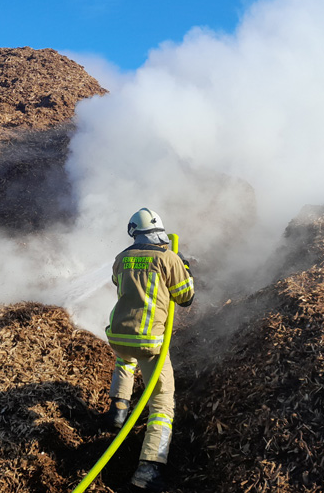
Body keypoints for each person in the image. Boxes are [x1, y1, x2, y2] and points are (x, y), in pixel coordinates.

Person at [103, 207, 195, 491]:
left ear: (134, 232)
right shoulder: (168, 258)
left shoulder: (121, 258)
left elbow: (119, 284)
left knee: (125, 361)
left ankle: (118, 411)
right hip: (149, 342)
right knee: (162, 403)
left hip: (119, 336)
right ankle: (149, 467)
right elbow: (185, 297)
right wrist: (184, 268)